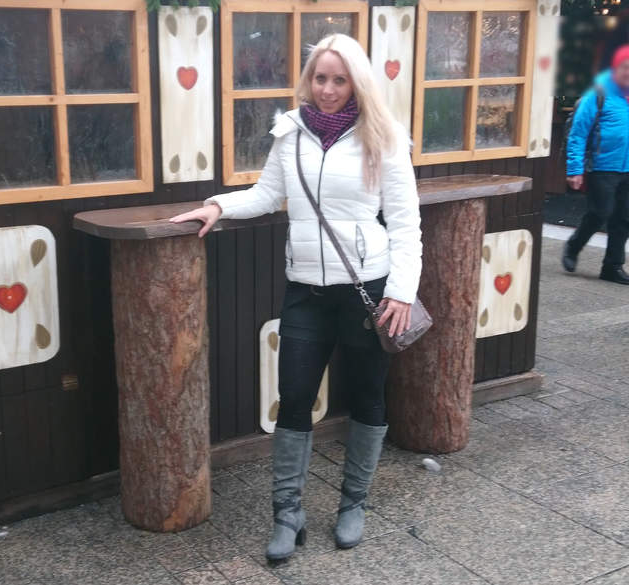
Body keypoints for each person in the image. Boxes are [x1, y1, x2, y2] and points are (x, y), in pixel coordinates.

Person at [170, 34, 422, 561]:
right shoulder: (290, 132)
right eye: (320, 78)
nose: (327, 89)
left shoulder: (384, 137)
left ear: (356, 83)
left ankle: (354, 504)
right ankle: (288, 515)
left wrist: (401, 291)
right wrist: (217, 206)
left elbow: (404, 223)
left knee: (368, 395)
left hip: (368, 291)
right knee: (294, 397)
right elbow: (267, 194)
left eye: (339, 79)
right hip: (305, 291)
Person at [563, 43, 629, 285]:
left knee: (623, 218)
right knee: (599, 213)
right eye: (625, 67)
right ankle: (574, 246)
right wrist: (575, 169)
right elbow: (578, 135)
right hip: (602, 167)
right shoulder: (598, 94)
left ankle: (612, 267)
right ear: (616, 67)